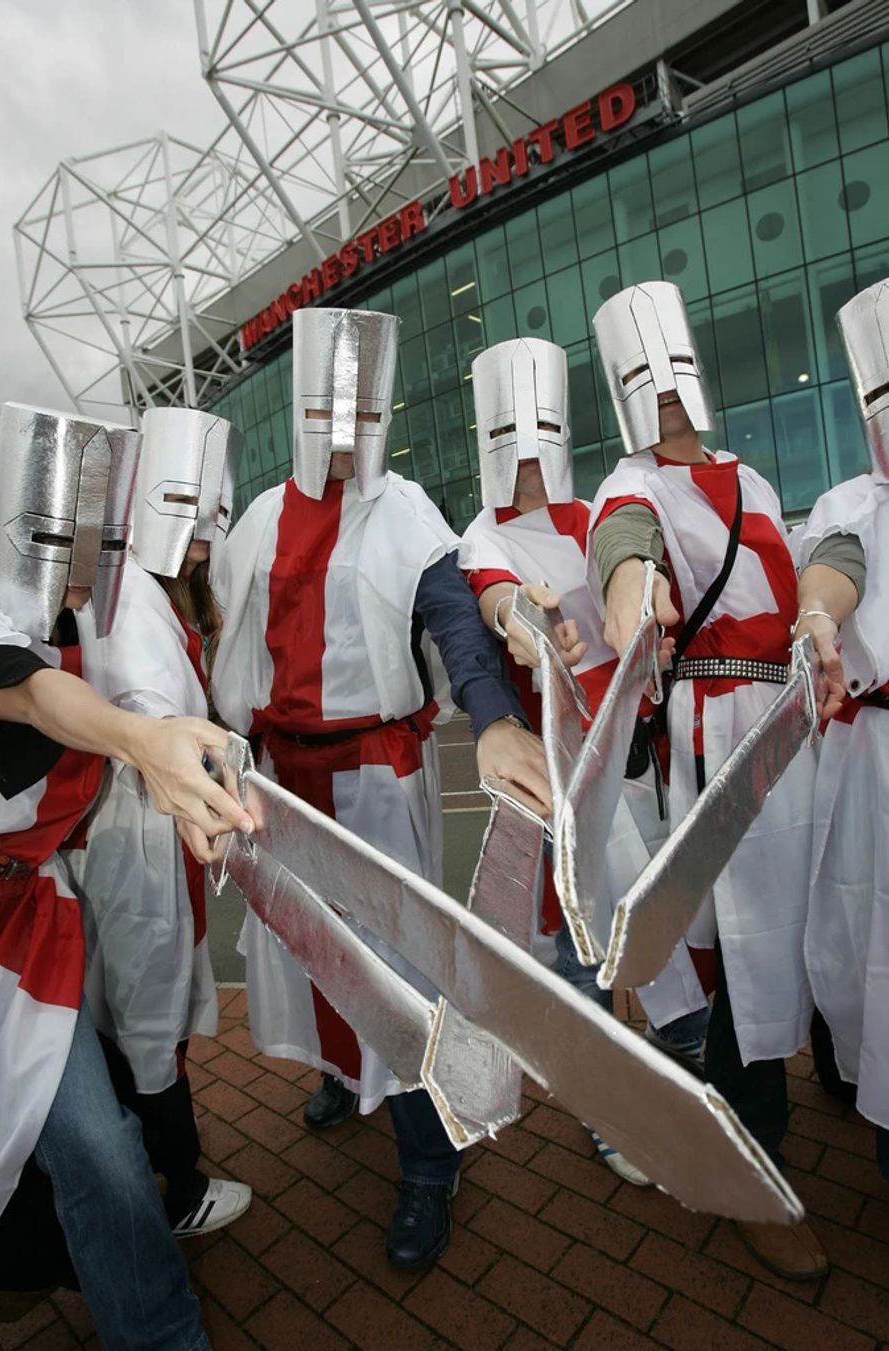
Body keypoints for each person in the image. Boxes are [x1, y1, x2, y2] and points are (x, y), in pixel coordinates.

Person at [212, 307, 552, 1271]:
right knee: (317, 955)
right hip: (283, 781)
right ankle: (342, 1071)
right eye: (327, 402)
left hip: (372, 776)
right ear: (300, 407)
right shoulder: (259, 523)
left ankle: (429, 1159)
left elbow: (454, 623)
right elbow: (231, 643)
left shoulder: (404, 510)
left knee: (400, 972)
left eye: (360, 405)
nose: (343, 421)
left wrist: (492, 719)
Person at [0, 403, 252, 1347]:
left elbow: (31, 685)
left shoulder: (70, 619)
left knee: (100, 1149)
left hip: (20, 932)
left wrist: (148, 744)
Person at [587, 283, 826, 1280]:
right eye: (646, 383)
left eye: (676, 376)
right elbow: (623, 562)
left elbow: (811, 570)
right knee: (743, 951)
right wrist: (631, 613)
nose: (668, 398)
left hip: (790, 724)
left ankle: (834, 1096)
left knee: (804, 923)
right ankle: (754, 1175)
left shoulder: (757, 482)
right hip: (715, 732)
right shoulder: (626, 487)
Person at [460, 335, 710, 1187]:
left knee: (661, 910)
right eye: (512, 442)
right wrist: (529, 627)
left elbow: (631, 572)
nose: (530, 459)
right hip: (568, 760)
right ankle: (609, 1104)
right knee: (584, 939)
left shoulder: (601, 503)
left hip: (639, 743)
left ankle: (684, 1063)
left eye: (543, 438)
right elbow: (499, 600)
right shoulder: (480, 534)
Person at [67, 406, 251, 1237]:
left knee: (141, 1005)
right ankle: (174, 1191)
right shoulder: (131, 596)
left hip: (144, 829)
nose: (203, 534)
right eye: (187, 507)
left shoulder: (148, 586)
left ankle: (155, 1176)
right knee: (145, 1011)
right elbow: (145, 716)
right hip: (136, 830)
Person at [794, 278, 889, 1183]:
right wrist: (819, 623)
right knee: (872, 939)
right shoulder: (845, 506)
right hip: (874, 762)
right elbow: (833, 571)